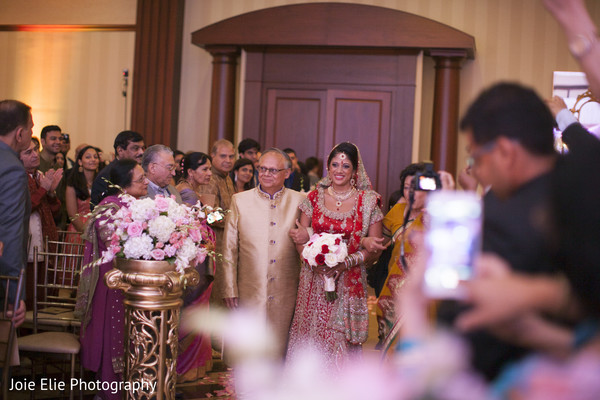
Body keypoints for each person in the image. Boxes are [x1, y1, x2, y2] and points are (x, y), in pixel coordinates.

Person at [286, 142, 386, 369]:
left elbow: (374, 251)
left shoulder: (368, 201)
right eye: (335, 164)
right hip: (313, 281)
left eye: (346, 165)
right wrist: (312, 261)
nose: (339, 170)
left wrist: (344, 264)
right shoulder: (312, 198)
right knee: (311, 335)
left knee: (338, 335)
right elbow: (302, 238)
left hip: (347, 283)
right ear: (328, 168)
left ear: (354, 171)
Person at [221, 148, 306, 358]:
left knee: (281, 347)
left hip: (287, 287)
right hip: (249, 287)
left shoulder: (301, 201)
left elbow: (308, 241)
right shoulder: (239, 200)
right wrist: (229, 287)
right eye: (262, 169)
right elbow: (229, 249)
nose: (266, 174)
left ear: (287, 173)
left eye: (273, 170)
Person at [77, 159, 148, 400]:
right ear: (123, 186)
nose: (146, 182)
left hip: (130, 283)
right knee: (113, 339)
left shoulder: (134, 204)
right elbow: (115, 244)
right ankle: (109, 394)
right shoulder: (109, 207)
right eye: (140, 179)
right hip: (112, 283)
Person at [375, 163, 428, 344]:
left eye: (416, 188)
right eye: (406, 188)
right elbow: (380, 243)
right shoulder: (395, 213)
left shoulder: (435, 215)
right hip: (393, 288)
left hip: (423, 291)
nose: (410, 193)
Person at [0, 99, 34, 328]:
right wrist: (14, 292)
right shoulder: (12, 168)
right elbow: (9, 231)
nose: (32, 132)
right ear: (20, 133)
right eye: (31, 127)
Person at [19, 140, 62, 308]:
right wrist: (43, 189)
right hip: (27, 242)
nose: (35, 154)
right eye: (28, 152)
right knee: (30, 287)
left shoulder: (39, 175)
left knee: (45, 284)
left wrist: (51, 192)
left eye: (36, 150)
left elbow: (55, 210)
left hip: (45, 239)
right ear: (18, 157)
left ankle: (44, 325)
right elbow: (23, 208)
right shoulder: (17, 178)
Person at [199, 139, 235, 303]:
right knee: (217, 292)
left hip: (226, 241)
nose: (228, 160)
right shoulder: (210, 179)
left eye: (231, 156)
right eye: (223, 156)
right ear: (212, 155)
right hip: (216, 242)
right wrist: (235, 219)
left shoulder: (226, 177)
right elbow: (209, 215)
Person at [90, 130, 145, 210]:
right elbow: (98, 210)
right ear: (120, 150)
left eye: (142, 148)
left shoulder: (139, 170)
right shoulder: (106, 175)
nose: (141, 152)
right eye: (135, 148)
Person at [65, 146, 99, 234]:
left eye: (95, 157)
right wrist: (86, 233)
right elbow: (72, 215)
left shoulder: (101, 183)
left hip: (98, 229)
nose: (93, 159)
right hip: (79, 231)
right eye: (88, 157)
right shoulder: (73, 183)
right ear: (80, 162)